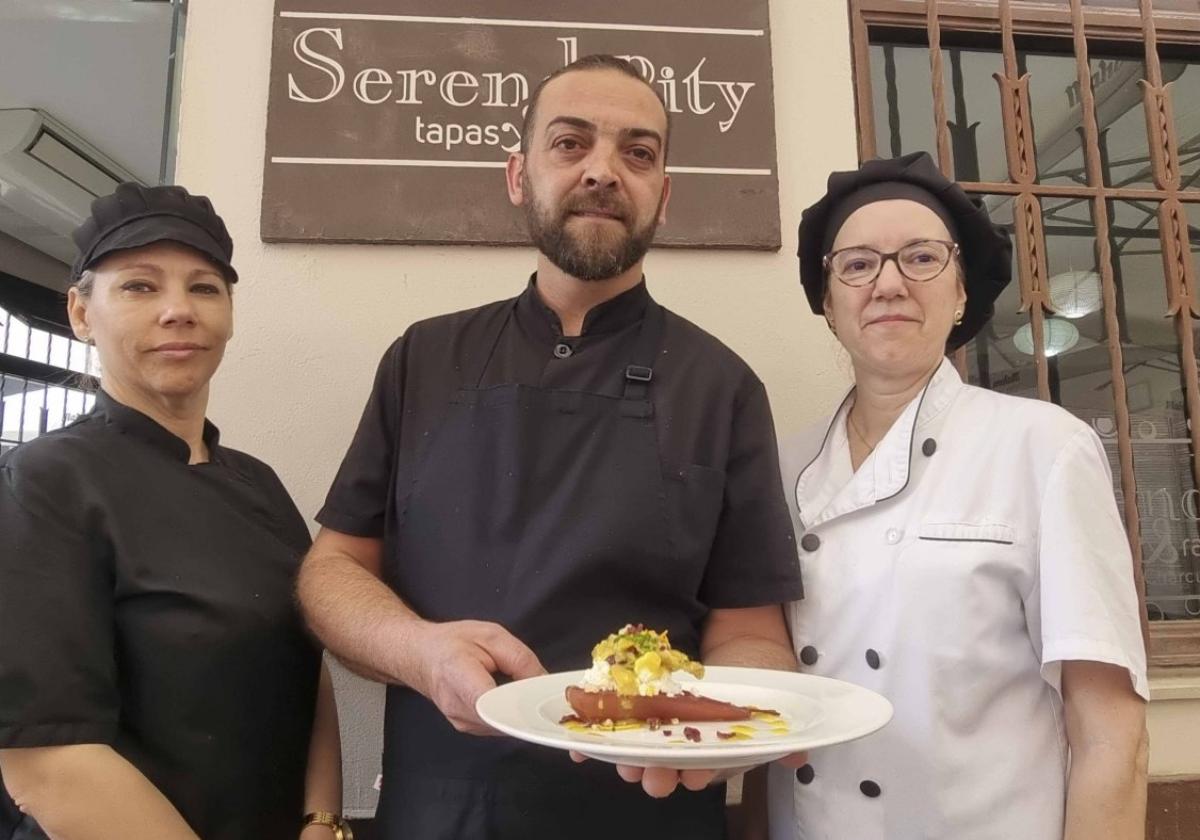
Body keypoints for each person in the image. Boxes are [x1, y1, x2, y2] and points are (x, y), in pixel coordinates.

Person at [298, 54, 804, 840]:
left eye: (637, 153)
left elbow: (752, 634)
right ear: (517, 175)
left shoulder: (722, 386)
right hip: (440, 809)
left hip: (651, 810)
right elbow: (330, 573)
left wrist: (735, 726)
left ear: (662, 195)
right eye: (571, 144)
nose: (604, 171)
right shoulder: (423, 360)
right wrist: (419, 651)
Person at [766, 151, 1149, 839]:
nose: (887, 284)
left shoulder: (1042, 447)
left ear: (963, 292)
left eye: (920, 258)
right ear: (828, 303)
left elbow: (1110, 732)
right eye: (856, 264)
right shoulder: (782, 466)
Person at [0, 183, 345, 840]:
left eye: (205, 288)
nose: (178, 310)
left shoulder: (259, 484)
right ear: (80, 312)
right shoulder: (44, 483)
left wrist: (323, 818)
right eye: (139, 287)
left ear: (230, 314)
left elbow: (308, 666)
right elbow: (46, 761)